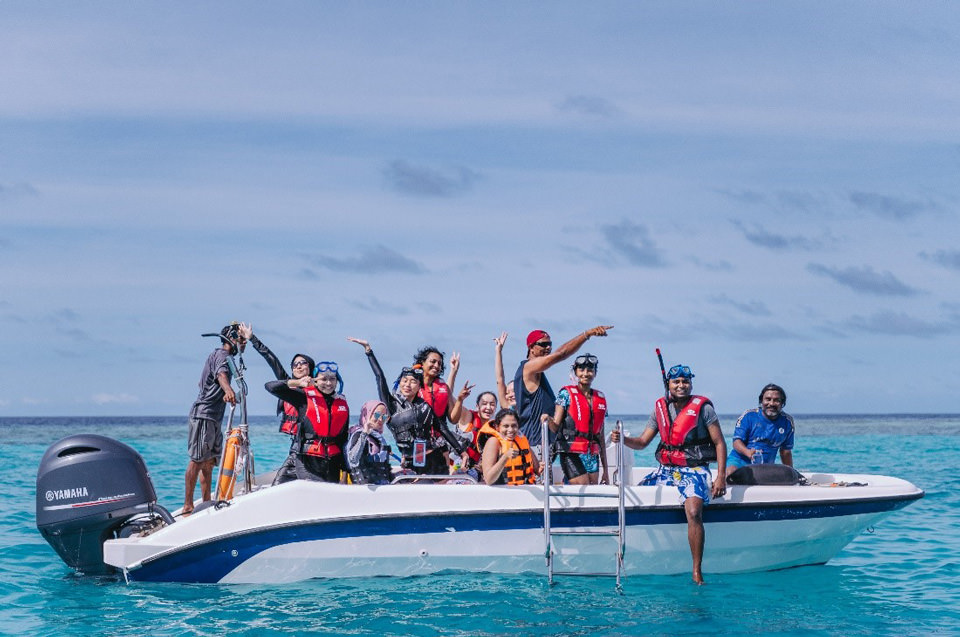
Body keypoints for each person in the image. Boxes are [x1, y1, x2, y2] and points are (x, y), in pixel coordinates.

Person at [614, 364, 727, 585]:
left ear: (691, 384)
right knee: (635, 495)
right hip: (667, 470)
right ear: (669, 385)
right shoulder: (660, 409)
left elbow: (719, 443)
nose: (681, 385)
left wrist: (720, 476)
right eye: (676, 382)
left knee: (694, 511)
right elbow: (642, 442)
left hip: (694, 469)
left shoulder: (704, 409)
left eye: (685, 381)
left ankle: (696, 570)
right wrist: (623, 439)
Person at [349, 337, 469, 474]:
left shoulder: (424, 407)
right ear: (399, 383)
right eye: (404, 381)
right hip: (410, 462)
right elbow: (380, 377)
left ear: (419, 386)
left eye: (413, 382)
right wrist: (368, 351)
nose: (407, 385)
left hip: (434, 460)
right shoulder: (391, 405)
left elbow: (443, 429)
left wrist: (462, 452)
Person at [513, 325, 613, 456]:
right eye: (543, 345)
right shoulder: (528, 368)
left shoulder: (535, 371)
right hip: (535, 444)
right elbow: (561, 355)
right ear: (531, 347)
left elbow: (557, 353)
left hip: (542, 443)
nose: (548, 348)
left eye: (550, 344)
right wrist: (587, 334)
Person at [183, 322, 246, 515]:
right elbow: (221, 374)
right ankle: (188, 505)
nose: (243, 344)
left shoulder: (227, 358)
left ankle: (206, 501)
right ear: (232, 339)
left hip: (214, 417)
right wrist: (227, 391)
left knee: (209, 462)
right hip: (204, 414)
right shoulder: (221, 355)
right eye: (241, 340)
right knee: (197, 460)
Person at [264, 362, 350, 484]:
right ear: (315, 380)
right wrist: (297, 383)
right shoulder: (303, 397)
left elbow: (343, 439)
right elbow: (270, 387)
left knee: (329, 499)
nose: (329, 383)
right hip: (307, 460)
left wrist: (345, 472)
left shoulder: (341, 403)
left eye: (332, 379)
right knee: (315, 493)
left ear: (337, 381)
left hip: (332, 462)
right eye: (324, 379)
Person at [547, 353, 610, 485]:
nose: (586, 373)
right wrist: (547, 419)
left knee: (592, 490)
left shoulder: (600, 398)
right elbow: (555, 426)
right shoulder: (565, 394)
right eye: (581, 370)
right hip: (571, 450)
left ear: (595, 373)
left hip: (591, 453)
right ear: (575, 372)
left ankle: (565, 485)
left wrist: (606, 471)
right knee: (583, 485)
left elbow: (601, 437)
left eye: (590, 370)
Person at [726, 383, 794, 477]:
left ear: (782, 403)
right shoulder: (749, 416)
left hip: (765, 467)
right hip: (739, 461)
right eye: (768, 399)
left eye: (776, 400)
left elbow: (785, 452)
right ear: (761, 401)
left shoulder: (787, 422)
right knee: (731, 473)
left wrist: (791, 474)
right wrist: (748, 452)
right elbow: (736, 442)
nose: (771, 403)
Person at [480, 408, 539, 485]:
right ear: (497, 427)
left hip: (525, 490)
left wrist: (542, 468)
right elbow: (489, 479)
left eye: (514, 426)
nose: (510, 430)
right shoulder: (493, 442)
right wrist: (505, 457)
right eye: (506, 426)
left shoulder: (521, 440)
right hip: (503, 493)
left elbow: (537, 470)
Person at [450, 383, 499, 475]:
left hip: (474, 473)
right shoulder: (469, 417)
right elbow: (448, 398)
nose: (488, 407)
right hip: (453, 468)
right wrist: (460, 399)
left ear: (496, 408)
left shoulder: (494, 429)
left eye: (492, 404)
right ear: (477, 406)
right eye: (484, 404)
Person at [346, 400, 394, 485]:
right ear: (368, 414)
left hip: (382, 488)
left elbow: (383, 469)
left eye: (384, 417)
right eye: (377, 415)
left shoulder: (377, 439)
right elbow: (353, 460)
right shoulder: (358, 435)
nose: (380, 419)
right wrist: (365, 433)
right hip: (365, 490)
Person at [493, 332, 516, 409]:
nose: (511, 395)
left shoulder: (532, 409)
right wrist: (498, 351)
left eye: (514, 391)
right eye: (507, 393)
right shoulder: (506, 407)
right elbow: (500, 380)